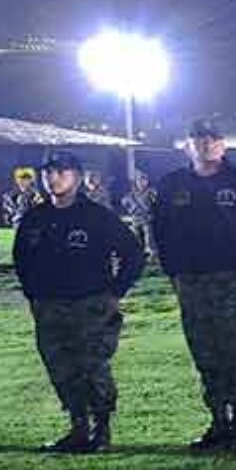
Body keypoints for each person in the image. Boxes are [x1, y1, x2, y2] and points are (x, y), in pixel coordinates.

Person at [151, 119, 236, 452]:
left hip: (233, 281)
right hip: (192, 283)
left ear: (222, 145)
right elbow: (160, 232)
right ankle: (218, 421)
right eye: (198, 139)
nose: (205, 144)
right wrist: (173, 273)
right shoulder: (172, 185)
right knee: (204, 353)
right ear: (188, 145)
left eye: (212, 139)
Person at [13, 151, 145, 453]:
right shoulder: (36, 218)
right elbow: (22, 259)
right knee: (60, 368)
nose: (53, 178)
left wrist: (115, 292)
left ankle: (101, 429)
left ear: (77, 176)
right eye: (49, 173)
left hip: (90, 306)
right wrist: (32, 293)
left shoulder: (96, 216)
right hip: (49, 307)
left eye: (61, 172)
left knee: (91, 366)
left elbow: (133, 254)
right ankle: (77, 428)